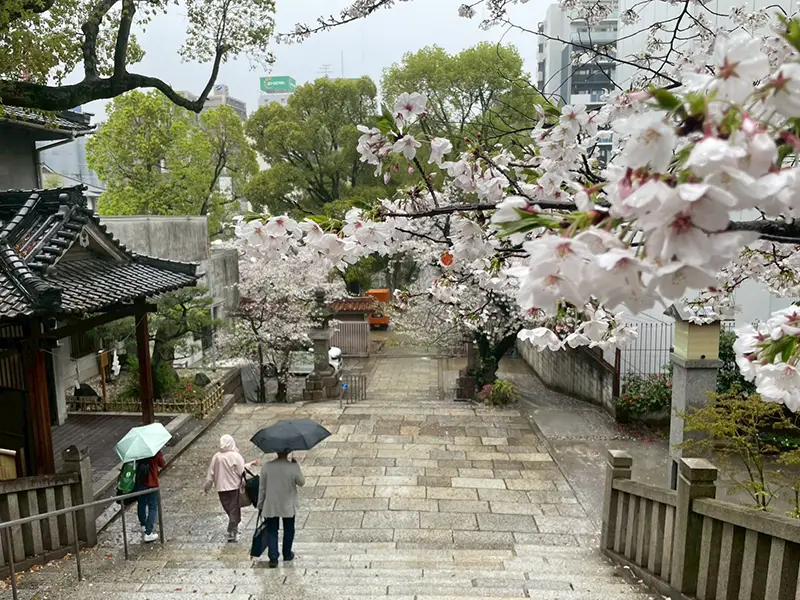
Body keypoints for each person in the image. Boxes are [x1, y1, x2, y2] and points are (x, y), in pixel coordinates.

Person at [257, 451, 305, 568]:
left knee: (272, 530)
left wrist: (260, 504)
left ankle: (273, 557)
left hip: (271, 504)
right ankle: (287, 553)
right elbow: (301, 482)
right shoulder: (292, 467)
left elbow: (262, 487)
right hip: (288, 504)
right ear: (288, 451)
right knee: (289, 529)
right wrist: (296, 466)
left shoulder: (267, 467)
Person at [204, 435, 246, 542]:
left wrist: (207, 486)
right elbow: (242, 471)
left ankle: (232, 527)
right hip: (233, 486)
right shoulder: (236, 456)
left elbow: (211, 473)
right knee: (233, 507)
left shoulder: (217, 457)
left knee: (228, 507)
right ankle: (233, 525)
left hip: (221, 488)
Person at [135, 449, 165, 543]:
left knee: (141, 504)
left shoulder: (137, 451)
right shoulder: (154, 450)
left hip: (140, 483)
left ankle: (143, 526)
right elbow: (162, 463)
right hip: (152, 484)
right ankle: (148, 533)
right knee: (153, 507)